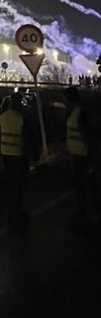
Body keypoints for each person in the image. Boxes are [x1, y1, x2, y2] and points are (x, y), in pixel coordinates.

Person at [0, 91, 39, 231]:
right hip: (19, 155)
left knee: (10, 185)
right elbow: (28, 138)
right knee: (19, 185)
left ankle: (11, 213)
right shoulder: (22, 118)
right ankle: (18, 214)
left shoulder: (2, 117)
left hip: (5, 154)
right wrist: (34, 156)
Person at [64, 84, 100, 228]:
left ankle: (85, 216)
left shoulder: (80, 114)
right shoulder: (75, 112)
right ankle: (87, 214)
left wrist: (93, 160)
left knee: (85, 188)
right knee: (86, 188)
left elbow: (87, 136)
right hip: (78, 154)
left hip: (83, 156)